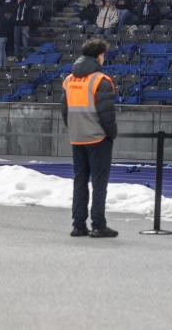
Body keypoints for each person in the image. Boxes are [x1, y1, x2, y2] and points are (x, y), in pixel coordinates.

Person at [62, 38, 119, 238]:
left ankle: (78, 225)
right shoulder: (101, 80)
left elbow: (64, 110)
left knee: (79, 181)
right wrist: (111, 134)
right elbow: (106, 114)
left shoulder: (69, 79)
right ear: (98, 56)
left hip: (77, 137)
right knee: (99, 183)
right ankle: (98, 224)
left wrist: (75, 129)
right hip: (97, 138)